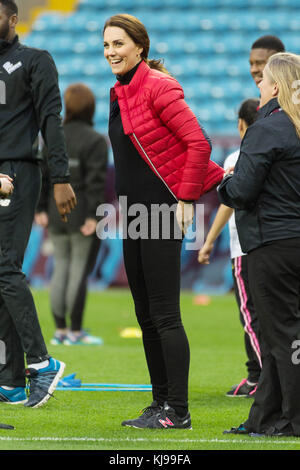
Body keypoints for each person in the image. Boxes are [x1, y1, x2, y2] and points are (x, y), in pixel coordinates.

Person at [103, 13, 224, 429]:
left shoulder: (158, 87)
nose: (110, 52)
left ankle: (179, 410)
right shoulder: (118, 93)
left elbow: (199, 141)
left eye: (118, 44)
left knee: (165, 314)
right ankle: (159, 405)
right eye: (106, 45)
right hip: (135, 216)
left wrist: (187, 197)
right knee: (145, 315)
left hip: (161, 213)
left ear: (140, 46)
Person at [0, 0, 76, 408]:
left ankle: (42, 363)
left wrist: (59, 179)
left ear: (14, 19)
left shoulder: (34, 60)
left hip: (17, 172)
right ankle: (9, 379)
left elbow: (51, 118)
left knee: (4, 267)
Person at [219, 52, 300, 437]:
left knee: (280, 336)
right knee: (281, 335)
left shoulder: (268, 128)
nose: (260, 85)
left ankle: (291, 419)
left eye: (264, 79)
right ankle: (265, 417)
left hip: (273, 242)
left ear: (277, 86)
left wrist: (225, 183)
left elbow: (242, 189)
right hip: (292, 240)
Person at [35, 83, 108, 345]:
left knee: (60, 269)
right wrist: (93, 217)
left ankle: (60, 331)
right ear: (91, 108)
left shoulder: (54, 137)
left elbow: (42, 176)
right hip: (81, 213)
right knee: (77, 270)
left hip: (55, 212)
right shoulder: (96, 141)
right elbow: (96, 184)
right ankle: (75, 331)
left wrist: (41, 208)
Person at [198, 98, 261, 397]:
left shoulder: (238, 157)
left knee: (250, 316)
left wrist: (209, 240)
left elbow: (228, 202)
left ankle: (260, 378)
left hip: (244, 248)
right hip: (273, 245)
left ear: (241, 125)